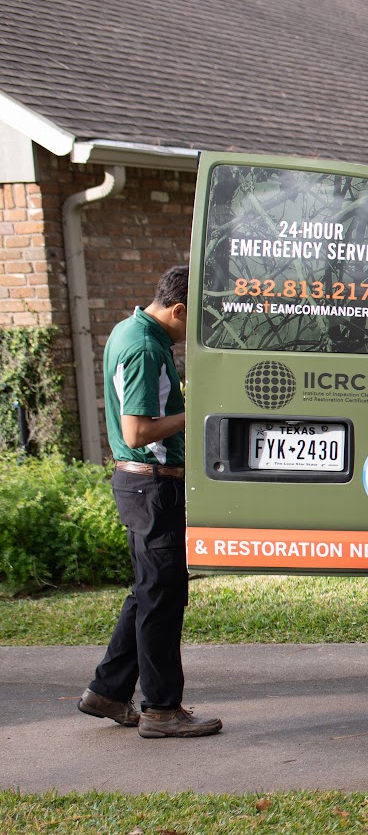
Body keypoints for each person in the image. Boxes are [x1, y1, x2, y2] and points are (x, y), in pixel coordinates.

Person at [78, 264, 223, 739]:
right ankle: (161, 709)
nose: (195, 333)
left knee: (149, 591)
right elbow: (136, 430)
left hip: (144, 484)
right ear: (178, 309)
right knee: (162, 596)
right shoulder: (143, 346)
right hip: (150, 484)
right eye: (194, 321)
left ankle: (108, 691)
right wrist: (195, 412)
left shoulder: (132, 329)